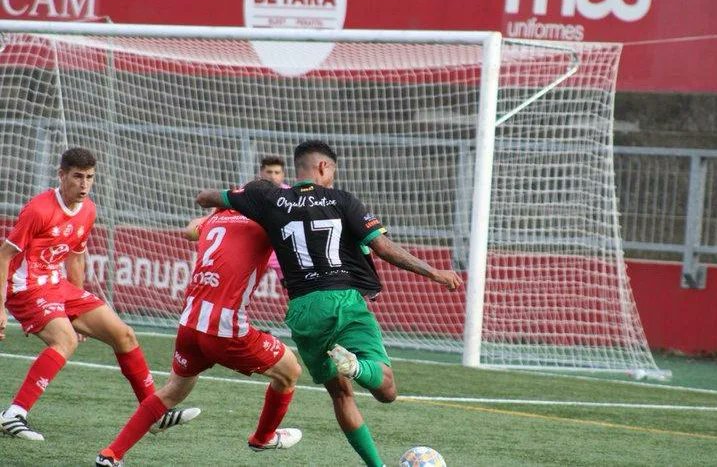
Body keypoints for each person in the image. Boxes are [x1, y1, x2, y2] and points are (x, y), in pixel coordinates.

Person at [196, 140, 463, 467]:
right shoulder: (342, 200)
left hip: (302, 311)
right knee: (387, 389)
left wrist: (233, 199)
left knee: (340, 394)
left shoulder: (267, 198)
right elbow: (383, 248)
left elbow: (206, 197)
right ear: (323, 167)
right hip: (342, 301)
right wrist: (434, 272)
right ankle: (357, 367)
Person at [0, 148, 199, 441]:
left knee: (124, 334)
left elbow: (76, 258)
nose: (84, 184)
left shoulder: (88, 210)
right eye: (77, 176)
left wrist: (76, 307)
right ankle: (14, 414)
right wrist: (1, 307)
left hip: (57, 285)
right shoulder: (39, 209)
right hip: (25, 287)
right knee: (65, 340)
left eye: (90, 177)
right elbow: (4, 255)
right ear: (61, 175)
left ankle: (154, 413)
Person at [95, 203, 303, 466]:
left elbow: (190, 230)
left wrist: (215, 214)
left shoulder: (219, 216)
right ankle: (263, 438)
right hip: (226, 330)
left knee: (173, 390)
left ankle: (111, 454)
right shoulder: (265, 219)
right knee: (290, 371)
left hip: (190, 324)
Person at [258, 155, 288, 285]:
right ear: (261, 172)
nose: (273, 176)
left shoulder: (290, 195)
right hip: (256, 254)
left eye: (277, 172)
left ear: (283, 175)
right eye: (269, 172)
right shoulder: (248, 192)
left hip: (281, 256)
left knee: (289, 289)